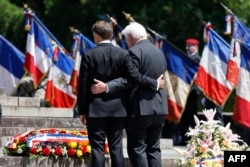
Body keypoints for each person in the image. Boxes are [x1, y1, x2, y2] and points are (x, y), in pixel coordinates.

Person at [77, 21, 165, 167]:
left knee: (98, 149)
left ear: (96, 36)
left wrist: (81, 109)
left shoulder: (88, 54)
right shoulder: (124, 54)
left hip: (95, 109)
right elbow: (131, 79)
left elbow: (83, 85)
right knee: (117, 149)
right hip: (118, 109)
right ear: (111, 35)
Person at [173, 38, 201, 146]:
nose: (187, 48)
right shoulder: (187, 58)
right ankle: (184, 137)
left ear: (195, 47)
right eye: (187, 46)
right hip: (185, 91)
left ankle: (193, 138)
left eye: (189, 46)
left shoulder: (197, 59)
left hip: (192, 92)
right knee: (184, 115)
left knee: (191, 115)